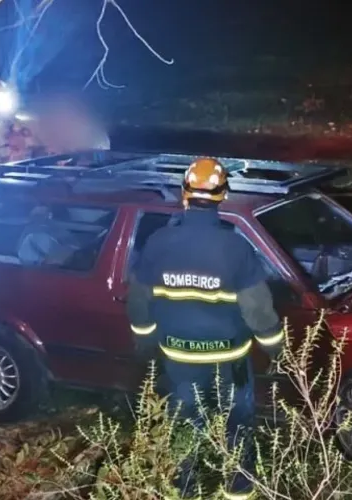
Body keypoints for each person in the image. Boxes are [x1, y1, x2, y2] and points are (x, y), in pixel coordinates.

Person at [126, 157, 284, 500]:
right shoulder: (235, 247)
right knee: (237, 424)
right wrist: (276, 349)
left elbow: (138, 300)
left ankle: (185, 490)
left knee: (184, 424)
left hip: (179, 357)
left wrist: (145, 340)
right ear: (222, 195)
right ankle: (238, 491)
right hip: (230, 360)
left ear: (185, 193)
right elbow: (258, 309)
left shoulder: (158, 242)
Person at [0, 77, 49, 177]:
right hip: (7, 179)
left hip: (37, 176)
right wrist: (11, 156)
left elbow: (45, 150)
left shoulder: (30, 122)